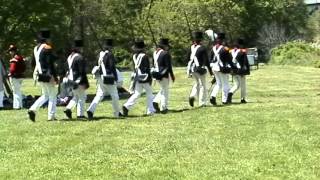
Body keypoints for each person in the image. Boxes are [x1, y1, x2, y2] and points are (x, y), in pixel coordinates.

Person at [87, 38, 122, 119]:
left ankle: (90, 110)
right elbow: (112, 67)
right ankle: (117, 113)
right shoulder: (109, 55)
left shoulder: (100, 54)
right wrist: (116, 78)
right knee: (115, 96)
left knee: (99, 95)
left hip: (100, 78)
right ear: (110, 47)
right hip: (108, 77)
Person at [28, 29, 58, 121]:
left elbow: (32, 63)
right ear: (47, 39)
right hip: (48, 75)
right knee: (53, 95)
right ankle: (51, 116)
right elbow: (50, 64)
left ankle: (32, 109)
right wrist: (54, 77)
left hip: (39, 74)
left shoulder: (35, 48)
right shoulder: (47, 47)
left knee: (45, 95)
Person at [122, 39, 155, 116]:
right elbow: (147, 69)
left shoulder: (134, 56)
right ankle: (150, 111)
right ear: (143, 47)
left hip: (137, 77)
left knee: (137, 94)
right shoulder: (145, 56)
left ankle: (126, 106)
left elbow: (135, 68)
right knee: (149, 94)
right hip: (145, 77)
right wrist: (150, 78)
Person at [63, 39, 89, 119]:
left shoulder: (69, 57)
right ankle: (80, 115)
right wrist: (85, 83)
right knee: (82, 97)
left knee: (77, 96)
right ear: (79, 48)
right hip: (78, 80)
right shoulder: (79, 57)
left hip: (70, 80)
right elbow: (82, 72)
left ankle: (68, 109)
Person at [186, 31, 213, 107]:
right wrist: (210, 71)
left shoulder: (191, 47)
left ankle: (192, 95)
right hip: (199, 69)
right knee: (202, 85)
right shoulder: (202, 48)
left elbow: (187, 58)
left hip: (192, 69)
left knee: (197, 83)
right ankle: (202, 102)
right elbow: (206, 61)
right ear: (200, 40)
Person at [151, 38, 175, 114]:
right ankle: (163, 108)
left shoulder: (155, 53)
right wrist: (172, 75)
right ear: (164, 46)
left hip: (156, 74)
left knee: (163, 89)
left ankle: (155, 101)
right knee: (165, 92)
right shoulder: (165, 53)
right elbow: (168, 66)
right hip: (163, 74)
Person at [209, 33, 232, 105]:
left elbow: (210, 58)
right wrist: (233, 67)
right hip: (222, 68)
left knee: (218, 84)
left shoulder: (213, 48)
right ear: (223, 40)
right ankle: (224, 100)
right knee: (225, 84)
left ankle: (213, 96)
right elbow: (229, 60)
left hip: (214, 68)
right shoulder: (225, 49)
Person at [227, 38, 250, 103]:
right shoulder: (242, 52)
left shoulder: (230, 51)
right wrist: (247, 71)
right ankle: (242, 99)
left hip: (233, 70)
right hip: (241, 70)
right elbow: (245, 62)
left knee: (236, 85)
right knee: (243, 85)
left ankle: (230, 93)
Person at [7, 45, 26, 109]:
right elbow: (24, 68)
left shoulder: (14, 59)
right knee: (18, 91)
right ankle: (19, 105)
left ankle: (17, 106)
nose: (10, 53)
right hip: (20, 77)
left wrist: (10, 73)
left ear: (12, 51)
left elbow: (12, 69)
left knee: (15, 92)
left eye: (10, 51)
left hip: (15, 77)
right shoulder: (20, 57)